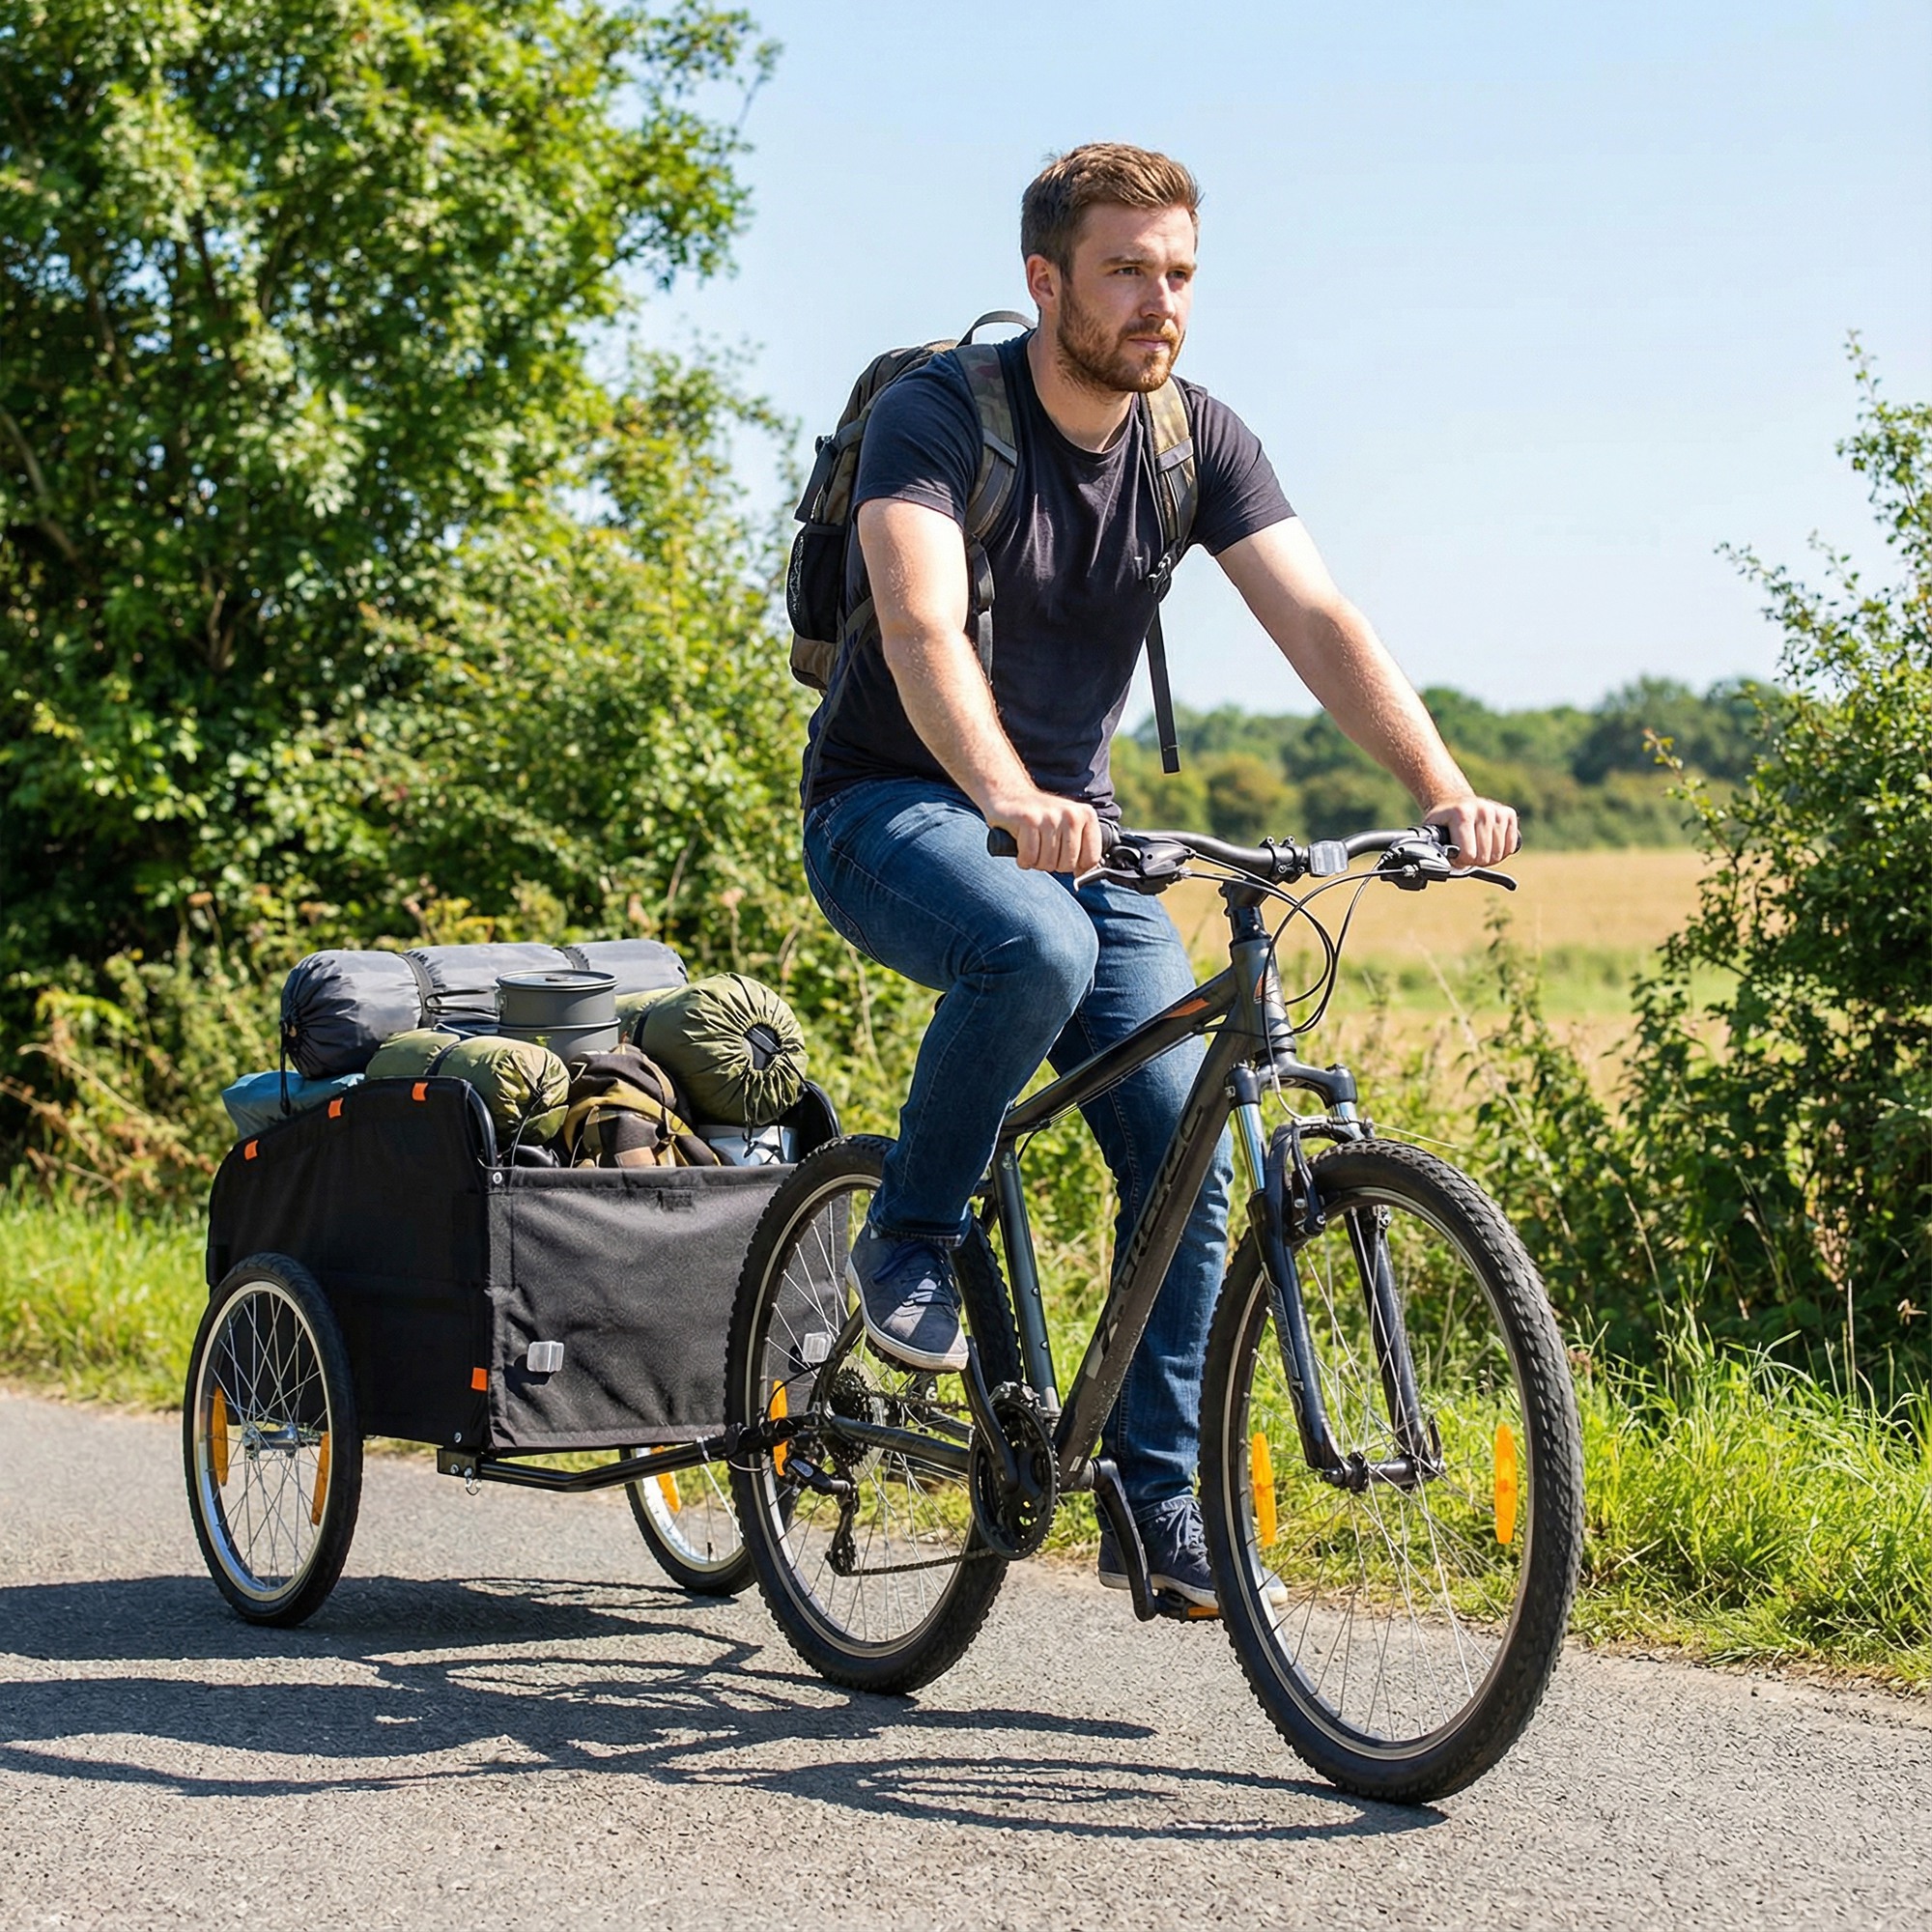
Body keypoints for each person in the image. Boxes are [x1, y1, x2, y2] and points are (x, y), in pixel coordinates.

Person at [799, 142, 1519, 1610]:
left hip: (1090, 834)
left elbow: (1316, 613)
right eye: (1128, 269)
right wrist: (1004, 795)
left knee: (1188, 1151)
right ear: (1045, 279)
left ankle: (1153, 1485)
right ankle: (912, 1234)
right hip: (893, 809)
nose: (1160, 301)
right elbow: (923, 627)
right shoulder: (942, 418)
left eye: (1180, 273)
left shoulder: (1198, 441)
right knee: (1035, 950)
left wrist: (1439, 790)